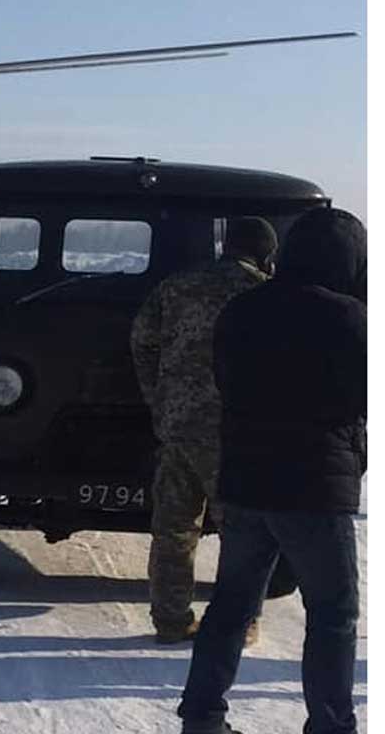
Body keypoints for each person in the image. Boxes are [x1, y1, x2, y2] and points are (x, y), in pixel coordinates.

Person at [177, 207, 366, 734]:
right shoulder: (352, 318)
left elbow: (224, 382)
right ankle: (331, 725)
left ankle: (202, 716)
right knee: (332, 615)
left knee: (232, 606)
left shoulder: (242, 310)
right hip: (314, 489)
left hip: (243, 481)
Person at [131, 217, 278, 644]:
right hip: (237, 433)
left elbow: (142, 340)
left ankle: (171, 620)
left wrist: (156, 396)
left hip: (178, 426)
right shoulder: (263, 294)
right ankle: (239, 622)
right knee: (244, 534)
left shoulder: (179, 285)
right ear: (266, 253)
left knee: (174, 529)